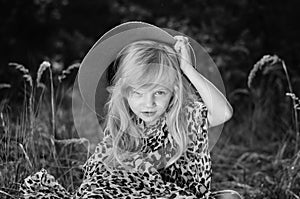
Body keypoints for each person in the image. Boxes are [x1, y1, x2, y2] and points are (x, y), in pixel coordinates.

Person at [20, 22, 242, 199]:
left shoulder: (182, 117)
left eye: (159, 93)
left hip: (175, 191)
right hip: (132, 191)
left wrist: (187, 69)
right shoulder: (123, 125)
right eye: (138, 93)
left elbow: (223, 113)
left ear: (174, 91)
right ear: (123, 93)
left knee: (231, 197)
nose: (149, 103)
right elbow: (105, 176)